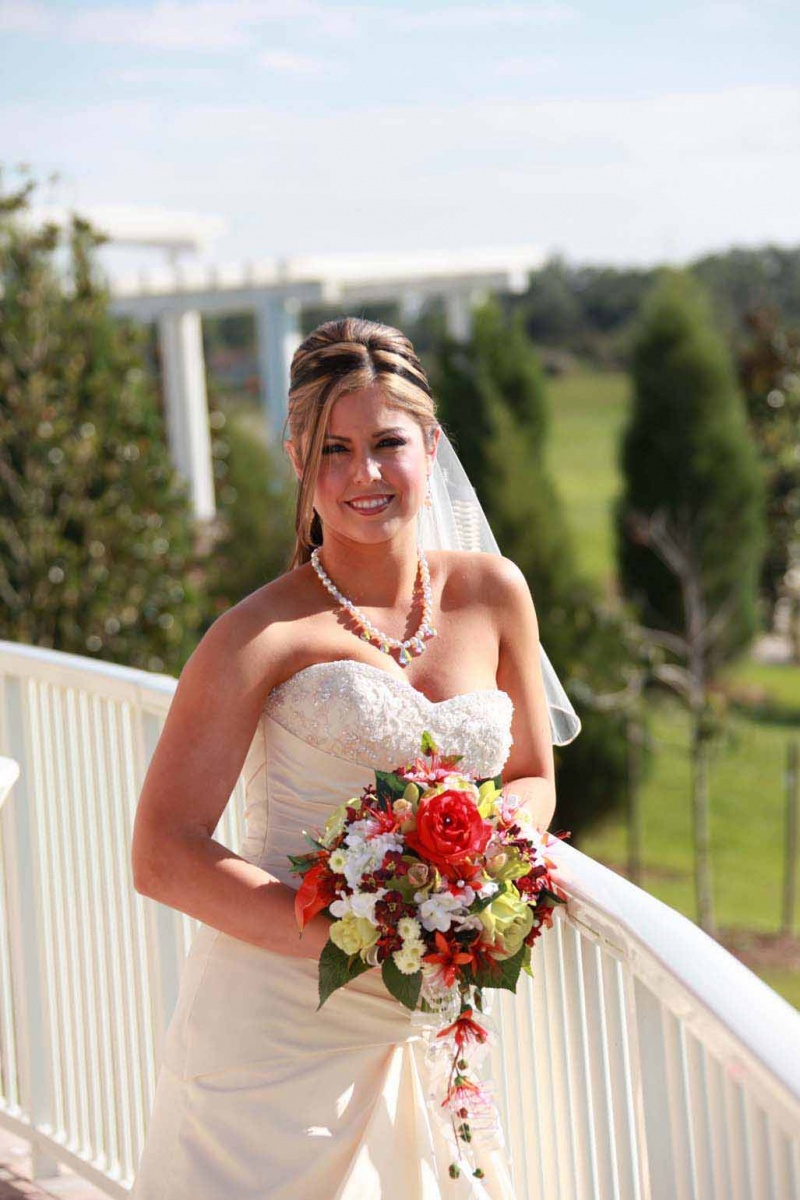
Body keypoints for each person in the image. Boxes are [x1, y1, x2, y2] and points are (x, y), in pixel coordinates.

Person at [129, 316, 580, 1199]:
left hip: (430, 1023)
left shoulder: (494, 594)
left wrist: (477, 871)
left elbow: (533, 774)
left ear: (432, 445)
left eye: (387, 443)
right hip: (272, 1040)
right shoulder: (257, 634)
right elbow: (163, 854)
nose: (364, 475)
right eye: (333, 450)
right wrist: (361, 932)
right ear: (298, 461)